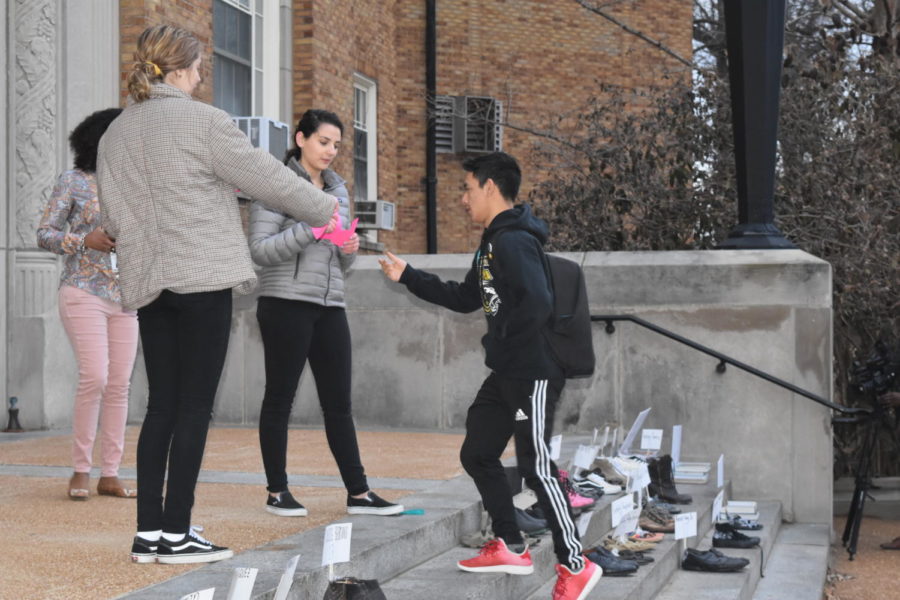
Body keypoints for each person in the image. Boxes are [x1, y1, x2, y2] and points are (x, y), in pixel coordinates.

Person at [96, 24, 337, 565]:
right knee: (194, 408)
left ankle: (149, 534)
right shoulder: (203, 121)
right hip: (201, 278)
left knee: (161, 406)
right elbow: (263, 177)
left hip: (150, 282)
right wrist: (325, 209)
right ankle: (178, 532)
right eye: (199, 68)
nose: (201, 77)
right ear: (180, 69)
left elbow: (110, 219)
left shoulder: (114, 134)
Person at [379, 152, 601, 600]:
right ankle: (511, 544)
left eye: (467, 188)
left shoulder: (513, 240)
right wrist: (408, 275)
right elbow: (466, 298)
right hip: (508, 370)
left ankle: (575, 565)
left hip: (531, 371)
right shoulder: (494, 242)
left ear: (491, 188)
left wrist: (503, 342)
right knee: (478, 452)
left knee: (537, 467)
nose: (463, 199)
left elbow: (536, 302)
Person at [249, 109, 403, 518]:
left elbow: (340, 263)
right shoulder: (275, 185)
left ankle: (359, 493)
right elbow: (260, 251)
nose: (331, 151)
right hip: (284, 302)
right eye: (323, 142)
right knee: (279, 398)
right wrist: (313, 228)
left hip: (330, 304)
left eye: (336, 144)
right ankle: (277, 491)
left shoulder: (338, 191)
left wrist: (347, 249)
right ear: (301, 139)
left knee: (339, 403)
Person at [37, 108, 139, 502]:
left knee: (119, 385)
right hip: (83, 290)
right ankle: (80, 469)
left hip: (126, 296)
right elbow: (45, 233)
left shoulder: (135, 183)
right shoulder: (75, 182)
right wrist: (83, 241)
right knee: (95, 377)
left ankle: (109, 473)